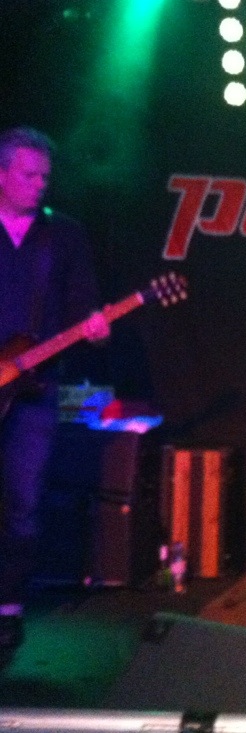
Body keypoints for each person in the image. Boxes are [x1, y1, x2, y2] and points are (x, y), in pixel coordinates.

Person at [0, 126, 110, 649]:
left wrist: (94, 327)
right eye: (28, 175)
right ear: (2, 174)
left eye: (45, 176)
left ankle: (7, 605)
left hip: (36, 389)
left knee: (23, 502)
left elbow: (81, 308)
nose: (39, 184)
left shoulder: (63, 235)